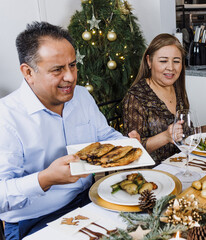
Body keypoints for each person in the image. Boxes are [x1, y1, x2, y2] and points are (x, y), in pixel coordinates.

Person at [0, 22, 135, 239]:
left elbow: (105, 137)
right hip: (34, 220)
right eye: (57, 69)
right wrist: (46, 179)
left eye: (72, 65)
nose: (71, 77)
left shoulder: (81, 96)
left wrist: (127, 144)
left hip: (88, 201)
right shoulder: (6, 117)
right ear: (28, 72)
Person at [122, 33, 206, 165]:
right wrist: (165, 136)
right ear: (149, 61)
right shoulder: (136, 97)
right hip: (153, 175)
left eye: (176, 61)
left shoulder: (176, 88)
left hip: (181, 165)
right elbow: (131, 149)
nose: (171, 67)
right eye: (163, 61)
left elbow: (183, 134)